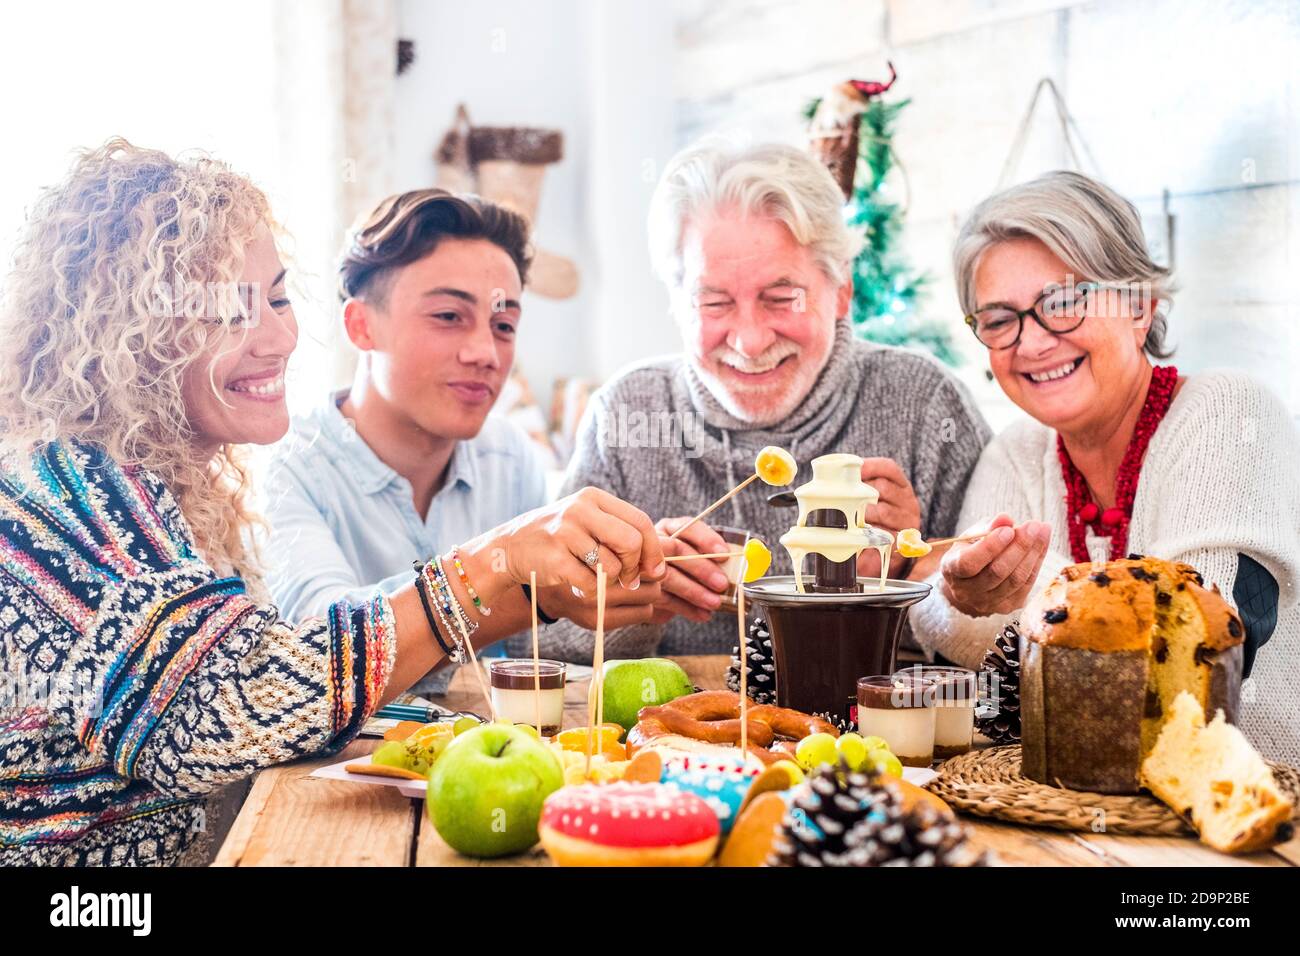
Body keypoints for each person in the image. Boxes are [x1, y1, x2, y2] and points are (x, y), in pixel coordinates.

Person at [0, 140, 664, 866]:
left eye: (280, 299)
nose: (281, 336)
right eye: (229, 311)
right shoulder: (64, 494)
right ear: (122, 334)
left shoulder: (160, 486)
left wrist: (576, 582)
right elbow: (232, 709)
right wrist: (494, 564)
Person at [533, 140, 991, 662]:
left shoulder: (926, 405)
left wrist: (909, 570)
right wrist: (634, 602)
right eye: (714, 301)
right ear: (678, 304)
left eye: (781, 297)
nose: (749, 341)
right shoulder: (627, 414)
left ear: (841, 289)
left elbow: (1000, 644)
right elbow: (543, 647)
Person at [909, 170, 1300, 762]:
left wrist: (1001, 596)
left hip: (1244, 814)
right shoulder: (1016, 449)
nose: (1032, 343)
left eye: (1064, 301)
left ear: (1140, 303)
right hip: (1058, 809)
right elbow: (939, 621)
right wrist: (955, 594)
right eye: (998, 319)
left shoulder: (1231, 414)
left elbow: (1187, 655)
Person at [263, 190, 613, 693]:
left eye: (504, 325)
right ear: (361, 326)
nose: (484, 352)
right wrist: (502, 570)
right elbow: (322, 654)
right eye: (449, 317)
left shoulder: (510, 457)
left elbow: (534, 647)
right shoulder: (289, 468)